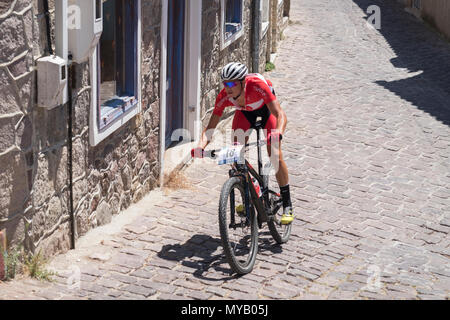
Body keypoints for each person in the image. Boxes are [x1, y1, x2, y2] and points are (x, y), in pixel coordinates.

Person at [191, 62, 294, 225]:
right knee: (235, 156)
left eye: (232, 83)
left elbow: (280, 114)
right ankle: (249, 195)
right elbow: (210, 127)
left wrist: (278, 132)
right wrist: (200, 146)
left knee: (274, 155)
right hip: (245, 115)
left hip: (266, 112)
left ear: (243, 82)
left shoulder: (257, 86)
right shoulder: (224, 96)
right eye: (225, 83)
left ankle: (287, 203)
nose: (228, 88)